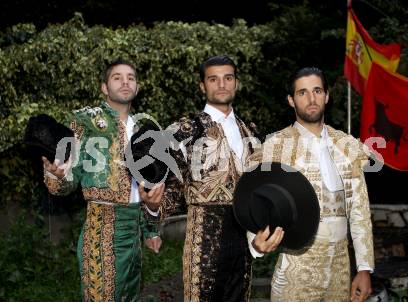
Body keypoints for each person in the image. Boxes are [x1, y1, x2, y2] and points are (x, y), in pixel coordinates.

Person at [42, 59, 164, 301]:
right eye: (117, 77)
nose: (125, 81)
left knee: (130, 296)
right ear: (104, 88)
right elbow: (66, 181)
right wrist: (57, 174)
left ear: (137, 87)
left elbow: (150, 187)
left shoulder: (145, 129)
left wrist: (150, 230)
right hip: (101, 229)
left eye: (130, 77)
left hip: (133, 232)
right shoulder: (86, 121)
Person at [248, 67, 374, 302]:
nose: (311, 98)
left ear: (326, 96)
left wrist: (365, 268)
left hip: (340, 268)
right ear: (291, 100)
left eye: (317, 90)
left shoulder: (346, 146)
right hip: (297, 268)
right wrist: (254, 243)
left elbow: (360, 211)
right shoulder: (276, 147)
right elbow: (254, 200)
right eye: (302, 93)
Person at [154, 55, 259, 301]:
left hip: (244, 241)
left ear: (236, 83)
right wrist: (152, 207)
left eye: (228, 78)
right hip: (204, 241)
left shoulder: (251, 132)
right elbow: (170, 189)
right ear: (203, 86)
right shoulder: (185, 131)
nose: (221, 84)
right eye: (214, 79)